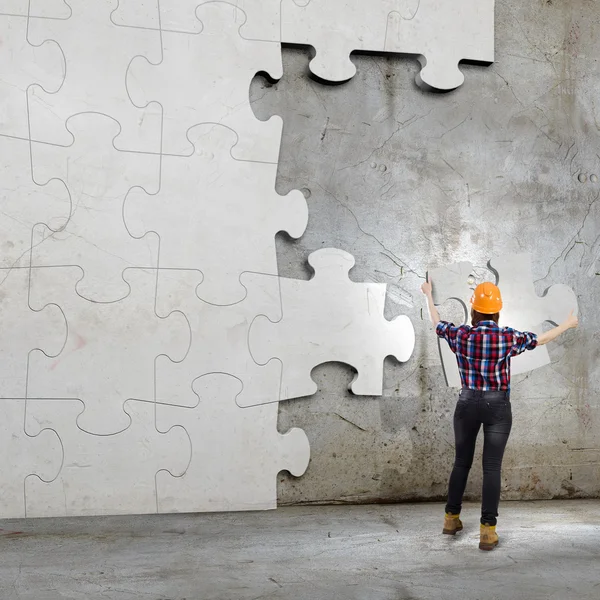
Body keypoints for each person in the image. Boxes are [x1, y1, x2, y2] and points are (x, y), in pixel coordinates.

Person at [421, 279, 578, 551]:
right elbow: (539, 340)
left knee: (461, 463)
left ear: (473, 311)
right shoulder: (507, 337)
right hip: (498, 407)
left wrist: (427, 294)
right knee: (491, 467)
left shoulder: (461, 335)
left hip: (467, 403)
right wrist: (566, 325)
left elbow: (436, 322)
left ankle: (450, 519)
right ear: (497, 312)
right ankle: (487, 532)